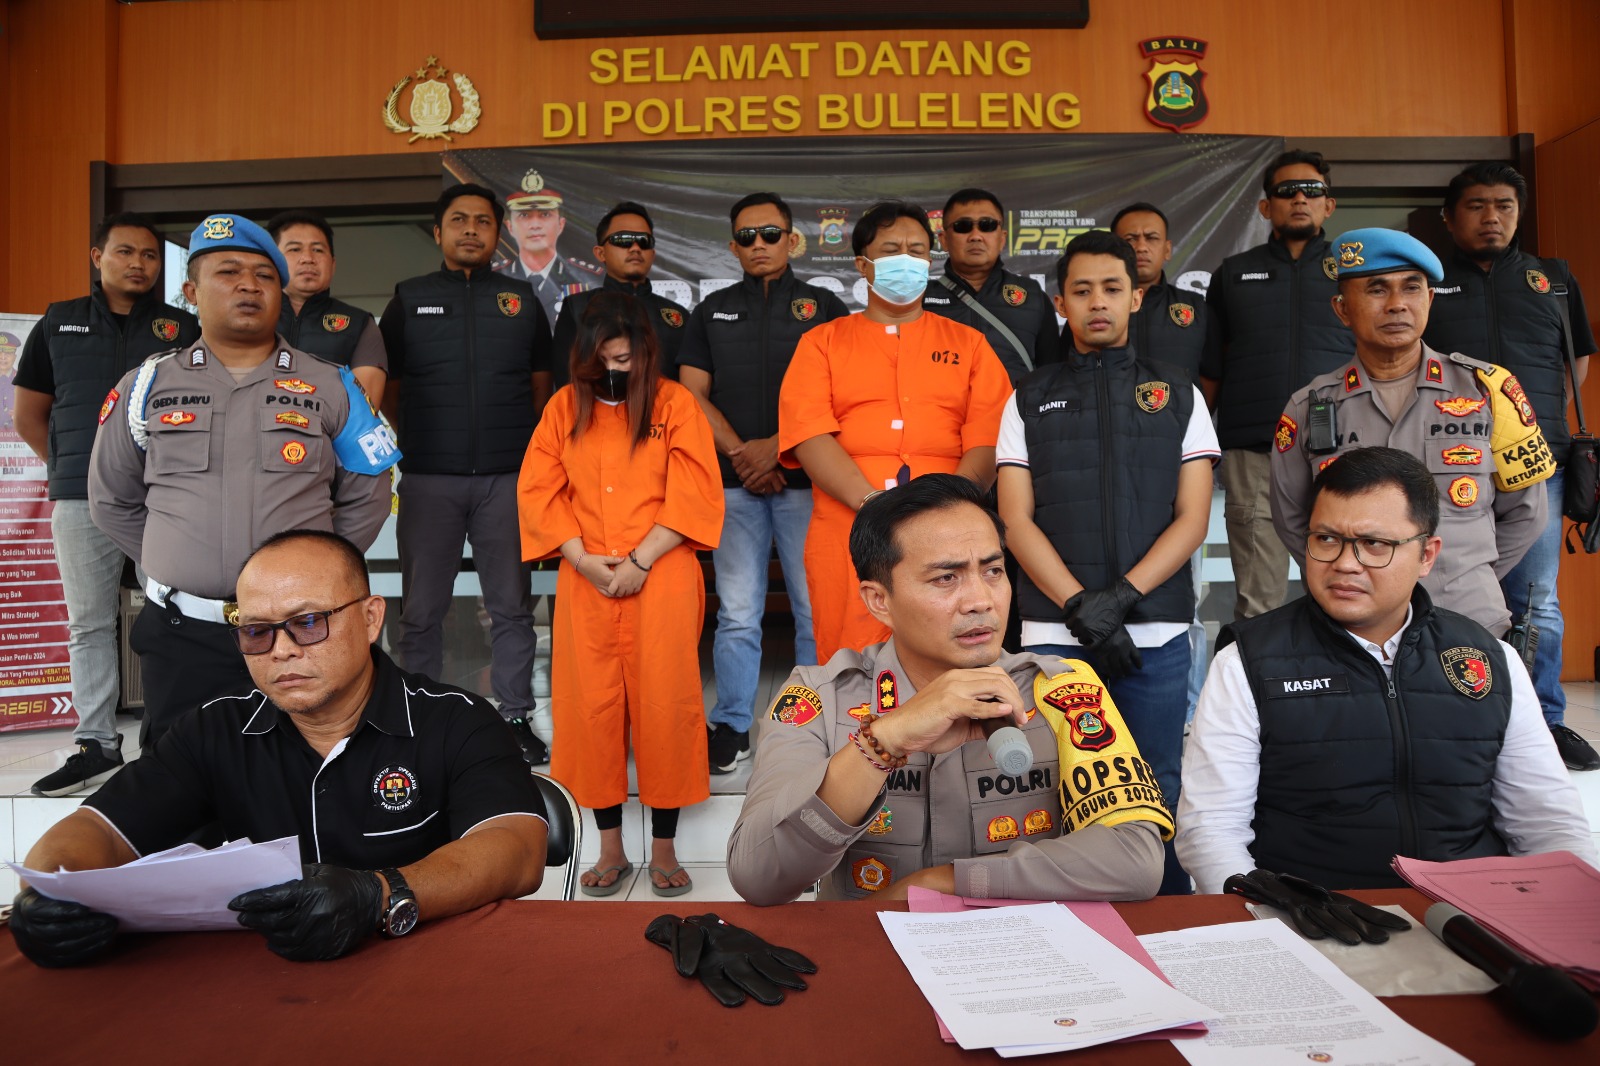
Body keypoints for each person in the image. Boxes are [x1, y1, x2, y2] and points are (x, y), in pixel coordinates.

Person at [7, 530, 548, 967]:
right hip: (268, 983)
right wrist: (47, 894)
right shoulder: (214, 731)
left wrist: (378, 894)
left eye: (308, 622)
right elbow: (99, 830)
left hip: (433, 971)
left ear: (370, 618)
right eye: (257, 631)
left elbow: (517, 849)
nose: (281, 650)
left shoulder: (456, 720)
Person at [728, 473, 1170, 904]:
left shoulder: (1059, 689)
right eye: (946, 578)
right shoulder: (820, 698)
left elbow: (1137, 859)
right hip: (869, 947)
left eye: (993, 571)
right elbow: (758, 877)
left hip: (1018, 947)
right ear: (879, 600)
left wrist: (946, 883)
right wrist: (885, 741)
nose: (980, 601)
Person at [1179, 448, 1596, 892]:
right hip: (1310, 912)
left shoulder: (1490, 659)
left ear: (1426, 555)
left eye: (1374, 544)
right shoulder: (1246, 661)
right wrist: (1271, 908)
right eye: (1326, 539)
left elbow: (1548, 825)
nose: (1345, 563)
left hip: (1472, 911)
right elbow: (1211, 831)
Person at [88, 213, 396, 751]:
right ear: (190, 292)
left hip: (301, 633)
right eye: (228, 272)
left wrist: (315, 573)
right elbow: (112, 499)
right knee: (181, 777)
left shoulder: (333, 384)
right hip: (183, 632)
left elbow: (369, 493)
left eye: (264, 275)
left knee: (306, 773)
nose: (249, 285)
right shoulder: (144, 385)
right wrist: (174, 560)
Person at [997, 231, 1218, 895]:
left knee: (1155, 783)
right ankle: (1058, 926)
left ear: (1137, 297)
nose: (1098, 302)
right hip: (1055, 637)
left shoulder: (1178, 394)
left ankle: (1163, 914)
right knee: (1054, 787)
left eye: (1112, 288)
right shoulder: (1027, 396)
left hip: (1155, 633)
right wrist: (1078, 607)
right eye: (1082, 290)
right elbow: (1015, 520)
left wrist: (1119, 599)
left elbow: (1193, 518)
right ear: (1060, 302)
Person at [518, 291, 723, 897]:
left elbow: (694, 490)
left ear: (645, 354)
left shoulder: (674, 403)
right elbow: (540, 491)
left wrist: (639, 560)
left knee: (666, 706)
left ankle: (664, 851)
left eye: (624, 360)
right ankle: (610, 848)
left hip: (662, 573)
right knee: (590, 710)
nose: (612, 371)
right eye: (601, 361)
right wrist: (583, 560)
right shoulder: (563, 408)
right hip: (586, 579)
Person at [1270, 228, 1550, 638]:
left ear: (1430, 300)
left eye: (1412, 288)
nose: (1397, 304)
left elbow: (1528, 512)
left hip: (1469, 622)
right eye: (1377, 290)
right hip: (1354, 631)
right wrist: (1351, 582)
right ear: (1342, 309)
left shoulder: (1489, 391)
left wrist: (1466, 576)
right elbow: (1292, 519)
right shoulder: (1307, 408)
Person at [11, 213, 199, 794]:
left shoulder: (181, 327)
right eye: (125, 252)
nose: (138, 264)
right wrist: (79, 470)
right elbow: (29, 414)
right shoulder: (58, 322)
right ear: (98, 257)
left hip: (163, 496)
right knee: (88, 623)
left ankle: (170, 738)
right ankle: (96, 743)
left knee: (172, 613)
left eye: (149, 255)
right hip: (80, 496)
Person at [778, 200, 1013, 662]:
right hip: (848, 525)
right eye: (891, 251)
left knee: (951, 650)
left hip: (952, 531)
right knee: (849, 658)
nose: (906, 259)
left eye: (917, 250)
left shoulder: (969, 344)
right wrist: (871, 504)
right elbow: (809, 435)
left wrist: (947, 511)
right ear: (862, 264)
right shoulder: (821, 343)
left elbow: (988, 437)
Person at [1423, 162, 1600, 772]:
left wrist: (1525, 421)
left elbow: (1576, 362)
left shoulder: (1553, 280)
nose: (1492, 217)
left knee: (1536, 600)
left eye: (1504, 205)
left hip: (1536, 460)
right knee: (1447, 589)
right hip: (1449, 463)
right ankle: (1461, 715)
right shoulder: (1431, 282)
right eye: (1476, 205)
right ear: (1450, 218)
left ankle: (1543, 723)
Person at [378, 184, 553, 766]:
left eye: (483, 221)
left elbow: (540, 386)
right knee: (421, 611)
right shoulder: (409, 298)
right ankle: (419, 715)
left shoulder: (521, 299)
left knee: (511, 608)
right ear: (438, 232)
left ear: (498, 234)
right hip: (430, 478)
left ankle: (515, 716)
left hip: (506, 478)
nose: (471, 229)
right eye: (459, 220)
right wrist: (420, 439)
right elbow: (389, 388)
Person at [677, 192, 850, 774]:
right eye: (747, 236)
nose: (759, 245)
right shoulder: (712, 310)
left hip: (809, 484)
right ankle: (732, 724)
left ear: (791, 240)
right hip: (734, 486)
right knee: (738, 613)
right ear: (732, 246)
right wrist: (742, 454)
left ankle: (812, 722)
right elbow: (691, 394)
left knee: (813, 610)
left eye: (770, 234)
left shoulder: (824, 306)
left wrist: (778, 447)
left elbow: (840, 394)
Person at [1201, 149, 1354, 620]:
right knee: (1258, 600)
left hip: (1344, 446)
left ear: (1329, 205)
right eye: (1287, 191)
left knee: (1345, 589)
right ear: (1266, 207)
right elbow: (1211, 366)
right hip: (1256, 451)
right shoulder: (1233, 273)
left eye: (1312, 190)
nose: (1300, 198)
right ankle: (1258, 671)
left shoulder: (1355, 271)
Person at [921, 188, 1059, 384]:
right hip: (943, 404)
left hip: (1016, 404)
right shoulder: (921, 298)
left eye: (987, 225)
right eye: (963, 226)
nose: (976, 236)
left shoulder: (1032, 295)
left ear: (1002, 238)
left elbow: (1053, 373)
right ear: (944, 240)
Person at [551, 202, 688, 386]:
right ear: (600, 253)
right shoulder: (577, 308)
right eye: (623, 239)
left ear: (652, 254)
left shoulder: (679, 316)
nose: (635, 248)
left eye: (644, 241)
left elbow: (690, 387)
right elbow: (566, 385)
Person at [266, 209, 387, 403]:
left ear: (333, 264)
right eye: (295, 249)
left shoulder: (359, 325)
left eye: (318, 250)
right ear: (272, 261)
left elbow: (363, 406)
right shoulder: (249, 317)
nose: (308, 258)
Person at [1113, 201, 1208, 377]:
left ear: (1167, 249)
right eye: (1130, 239)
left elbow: (1211, 375)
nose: (1141, 247)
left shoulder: (1197, 307)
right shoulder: (1095, 307)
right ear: (1112, 251)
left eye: (1152, 238)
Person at [494, 179, 600, 326]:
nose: (535, 225)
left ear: (561, 224)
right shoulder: (494, 277)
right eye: (524, 215)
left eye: (545, 214)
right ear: (510, 227)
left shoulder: (588, 278)